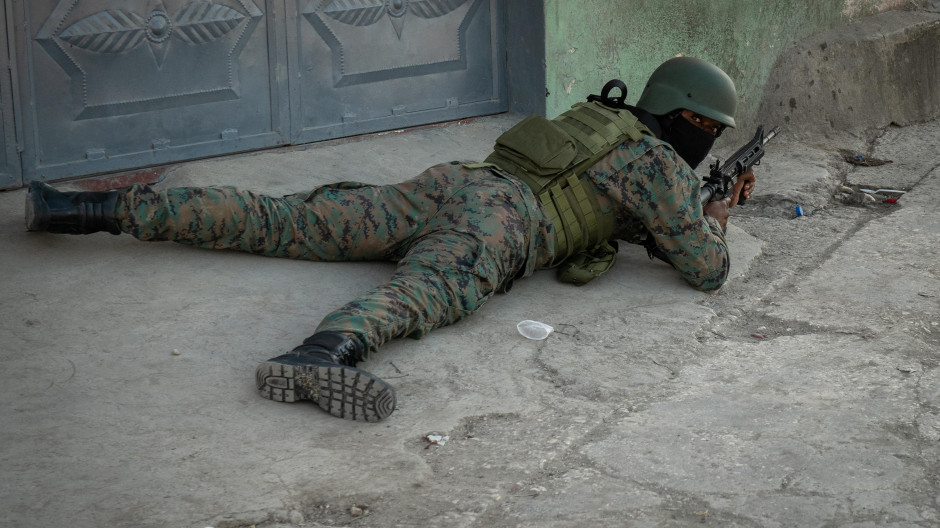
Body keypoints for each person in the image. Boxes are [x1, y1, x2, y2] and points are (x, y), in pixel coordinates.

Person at [24, 57, 756, 423]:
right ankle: (318, 356)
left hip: (452, 184)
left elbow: (612, 208)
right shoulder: (659, 165)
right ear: (689, 121)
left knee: (286, 219)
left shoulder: (603, 117)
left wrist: (699, 201)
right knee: (420, 294)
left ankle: (88, 211)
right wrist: (715, 216)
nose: (710, 144)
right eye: (712, 134)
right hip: (499, 229)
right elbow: (706, 269)